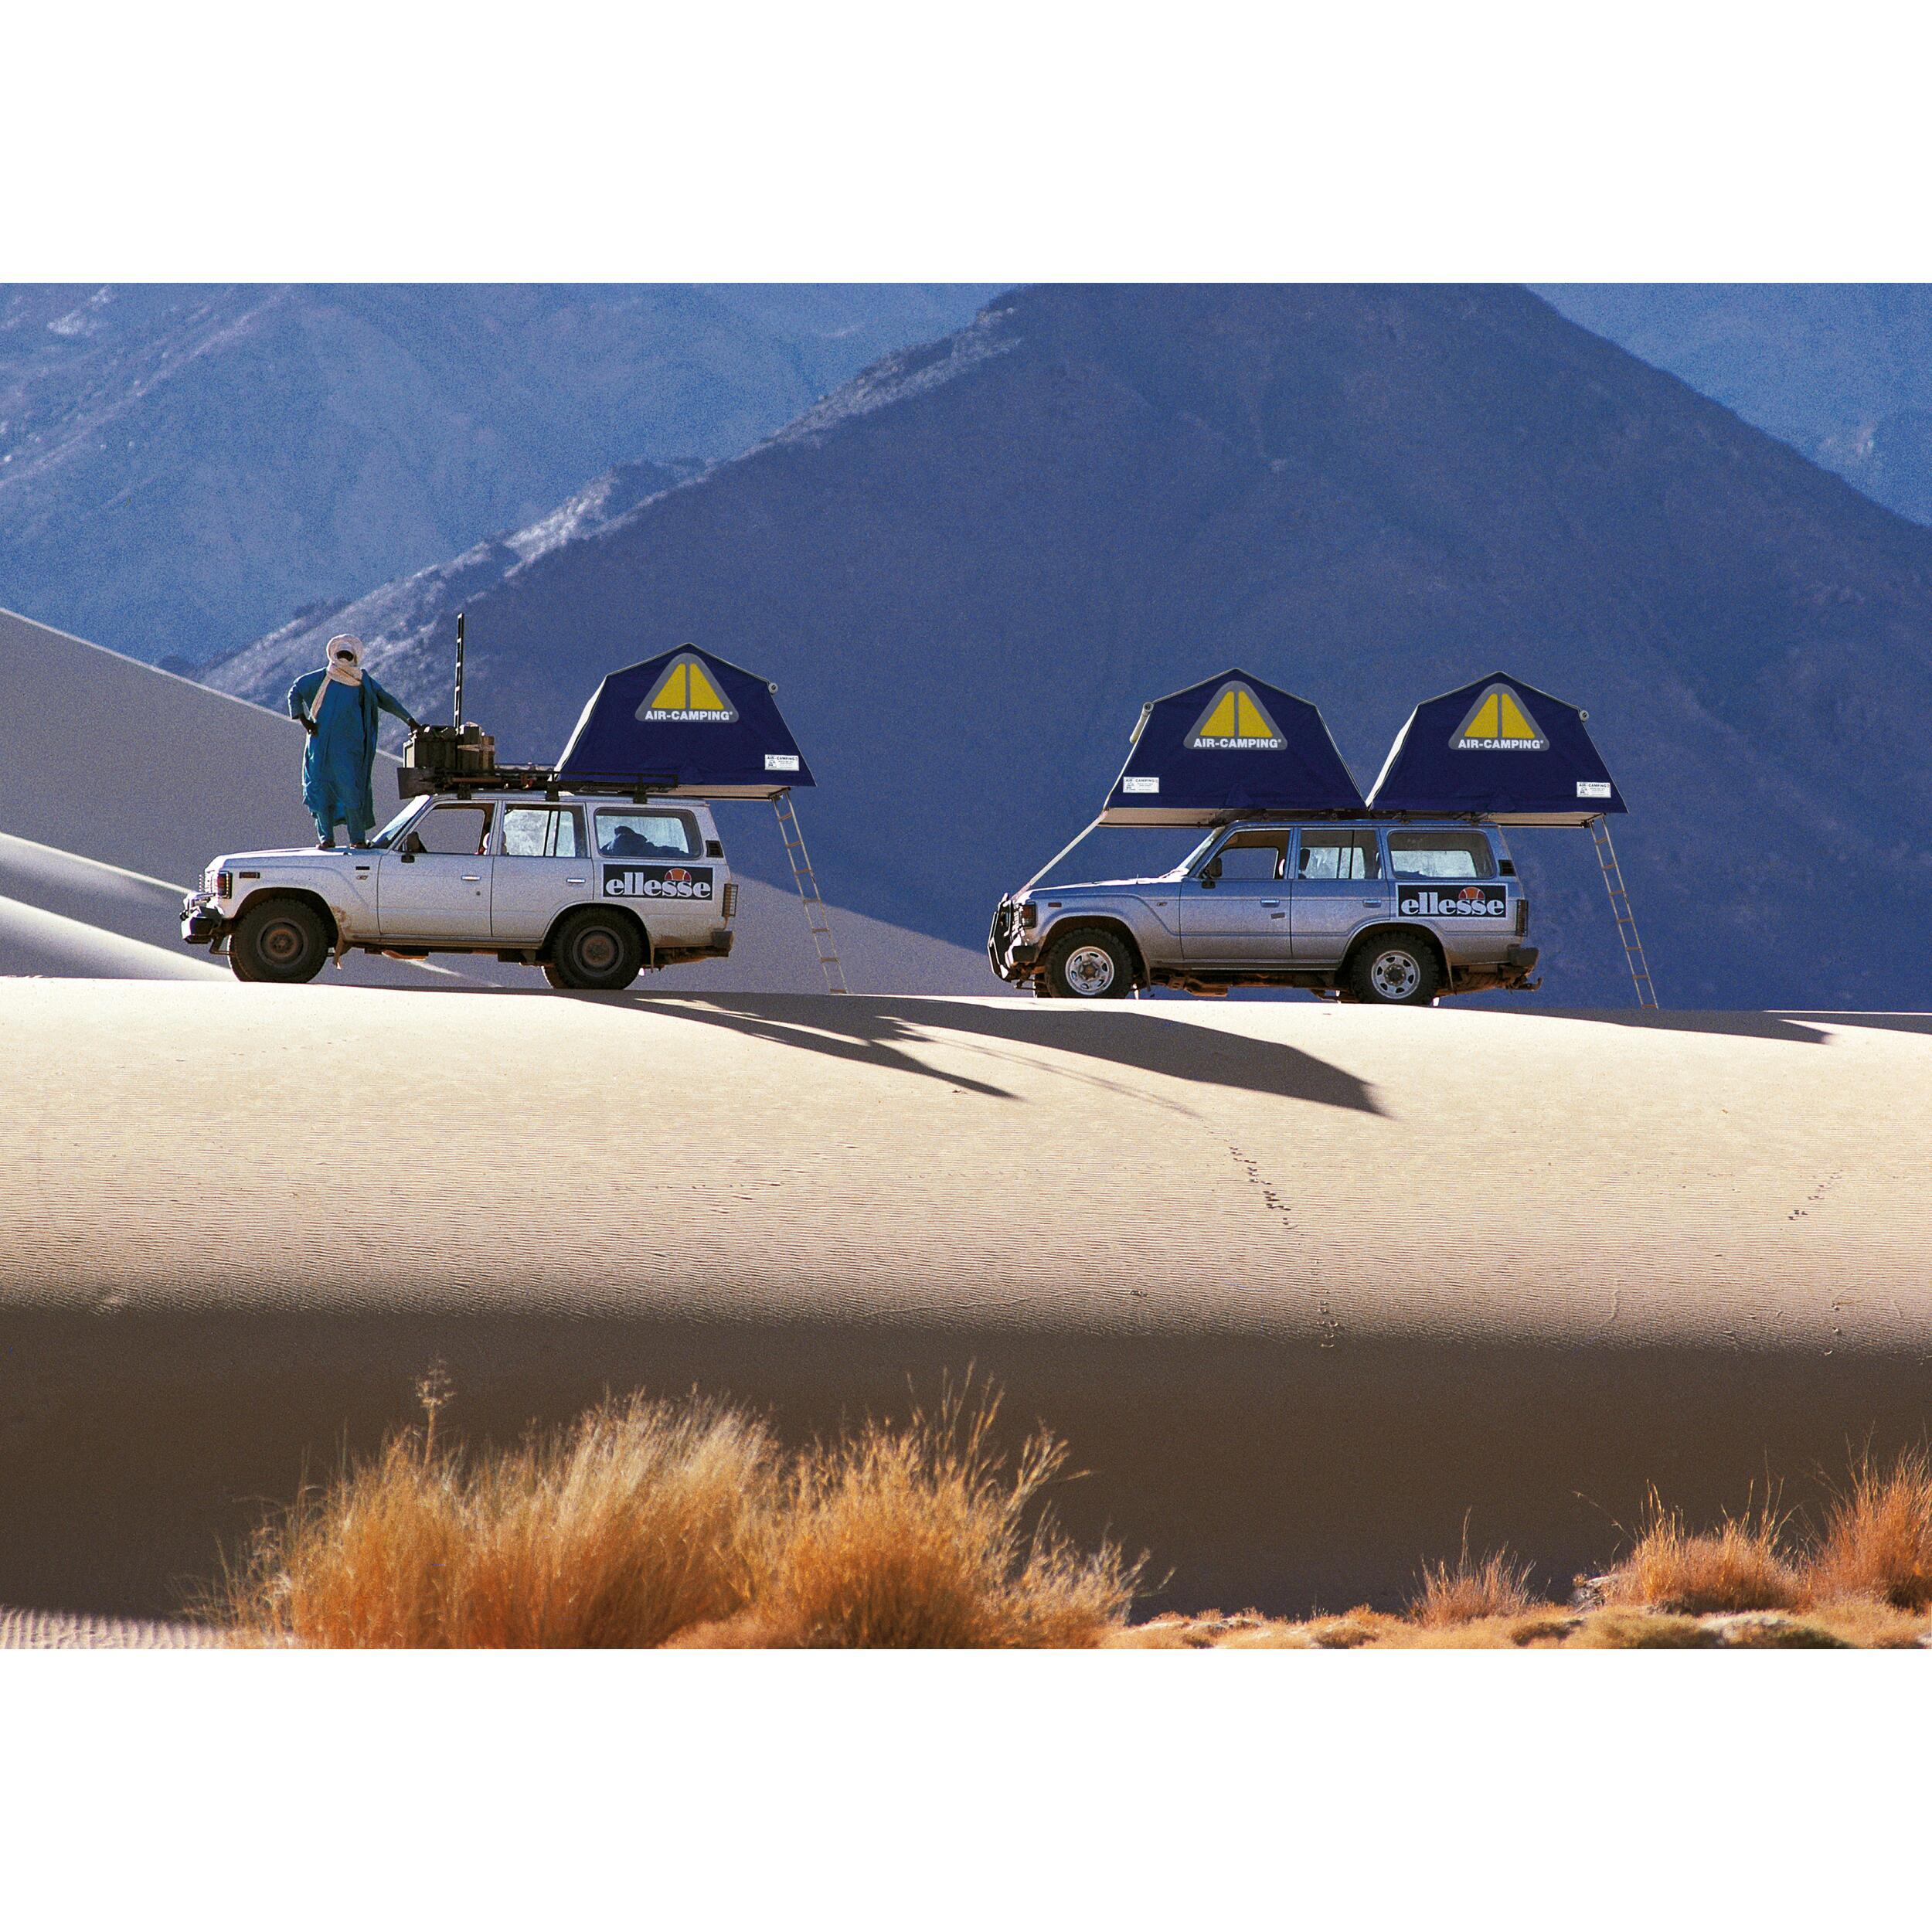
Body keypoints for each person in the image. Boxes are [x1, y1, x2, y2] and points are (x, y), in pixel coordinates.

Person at [286, 636, 422, 848]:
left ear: (354, 657)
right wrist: (304, 720)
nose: (343, 658)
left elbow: (386, 699)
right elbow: (295, 691)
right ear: (333, 655)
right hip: (320, 748)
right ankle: (326, 839)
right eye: (340, 654)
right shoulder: (322, 678)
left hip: (350, 749)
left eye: (347, 655)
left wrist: (409, 720)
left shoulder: (362, 682)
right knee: (321, 790)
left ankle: (357, 839)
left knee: (351, 790)